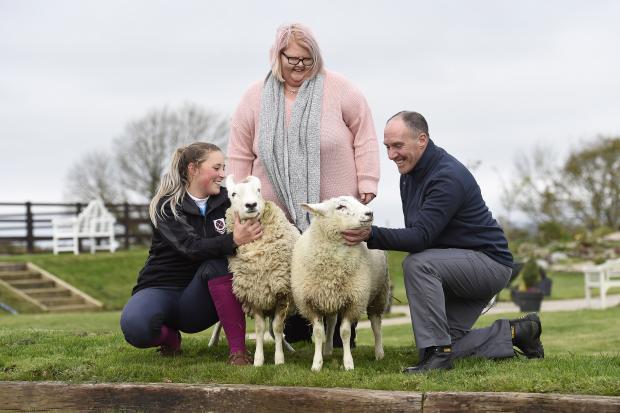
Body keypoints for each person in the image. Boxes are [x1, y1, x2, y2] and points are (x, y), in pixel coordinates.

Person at [342, 111, 544, 373]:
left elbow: (420, 237)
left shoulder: (446, 176)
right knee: (437, 342)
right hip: (457, 265)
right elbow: (420, 232)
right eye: (388, 147)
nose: (391, 155)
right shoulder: (410, 174)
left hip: (488, 264)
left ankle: (439, 359)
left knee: (417, 265)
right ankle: (519, 332)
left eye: (398, 146)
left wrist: (371, 234)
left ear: (422, 140)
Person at [227, 23, 380, 345]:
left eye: (307, 60)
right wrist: (238, 197)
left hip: (333, 199)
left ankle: (342, 336)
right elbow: (240, 150)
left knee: (338, 263)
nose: (299, 66)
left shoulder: (341, 89)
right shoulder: (254, 96)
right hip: (273, 201)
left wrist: (368, 178)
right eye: (292, 59)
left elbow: (364, 134)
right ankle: (293, 332)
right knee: (290, 264)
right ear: (277, 56)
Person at [120, 142, 263, 365]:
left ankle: (238, 353)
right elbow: (190, 247)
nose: (222, 175)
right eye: (216, 168)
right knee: (136, 327)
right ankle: (170, 339)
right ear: (193, 168)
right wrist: (233, 239)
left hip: (202, 298)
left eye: (223, 168)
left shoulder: (229, 200)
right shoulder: (167, 206)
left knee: (218, 264)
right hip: (161, 289)